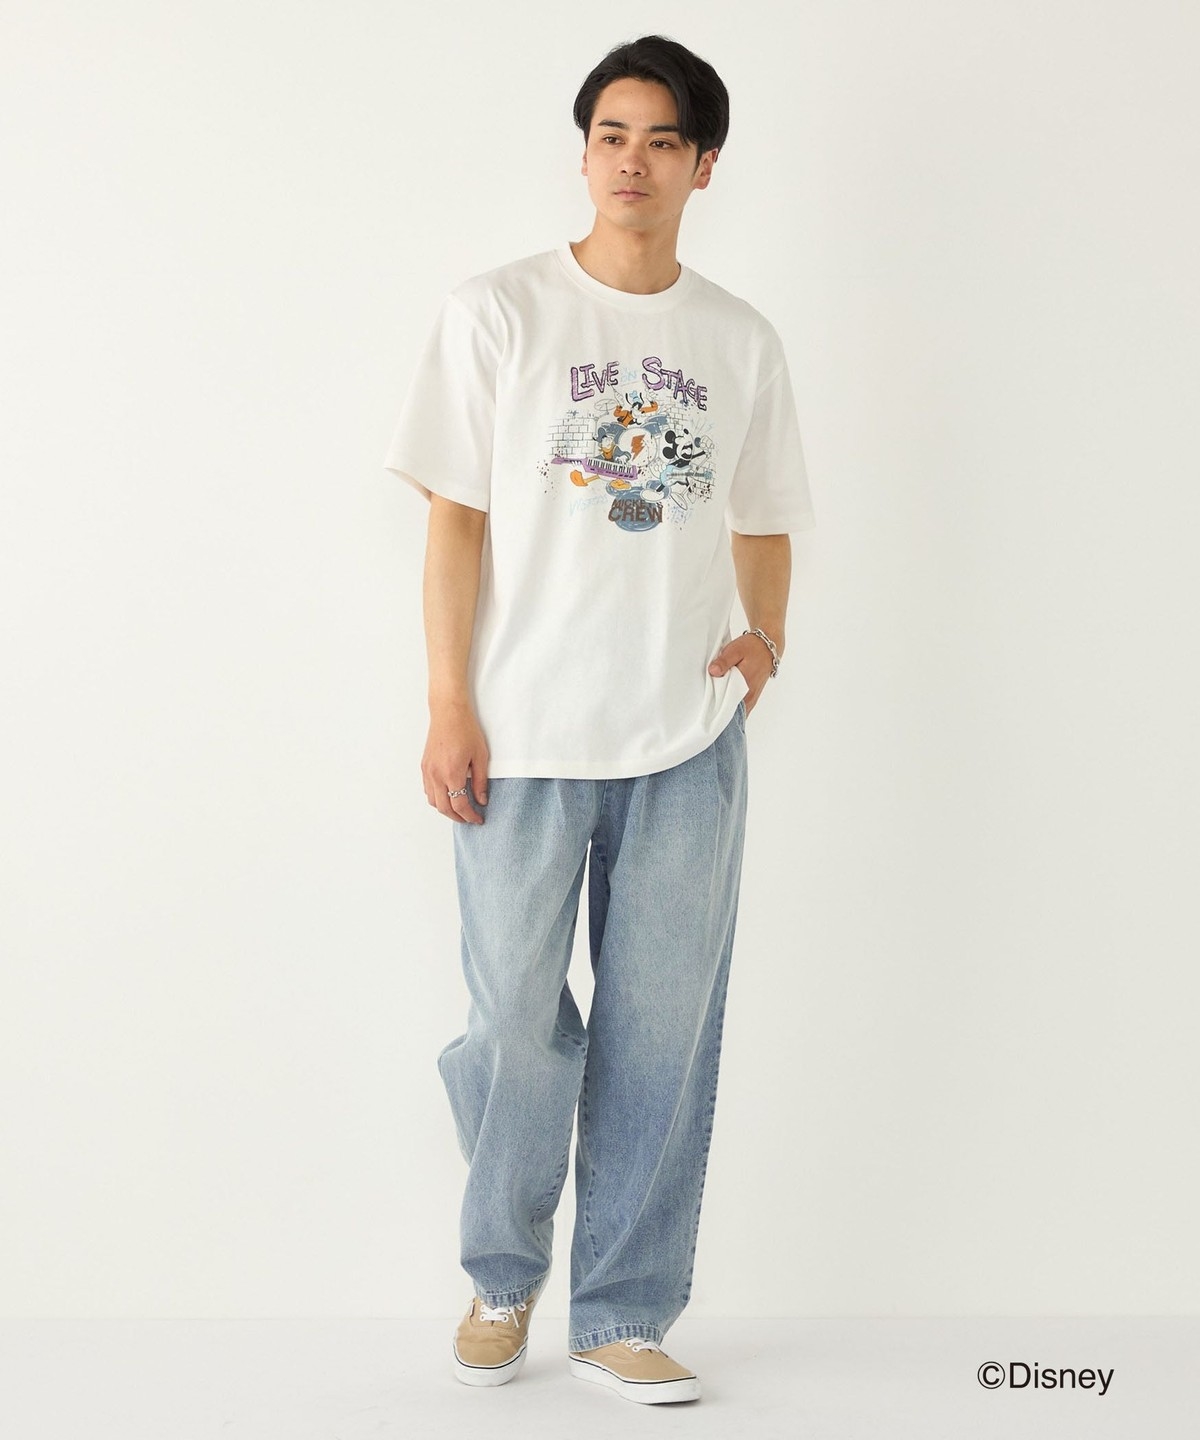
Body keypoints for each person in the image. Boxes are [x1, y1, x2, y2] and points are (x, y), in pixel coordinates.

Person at [382, 33, 816, 1406]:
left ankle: (624, 1309)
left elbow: (765, 516)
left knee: (660, 1034)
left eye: (663, 141)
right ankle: (502, 1275)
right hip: (521, 735)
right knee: (514, 1022)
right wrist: (449, 702)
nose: (634, 162)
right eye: (612, 136)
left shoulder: (738, 340)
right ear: (584, 154)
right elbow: (456, 525)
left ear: (703, 167)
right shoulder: (497, 312)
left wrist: (763, 646)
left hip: (686, 742)